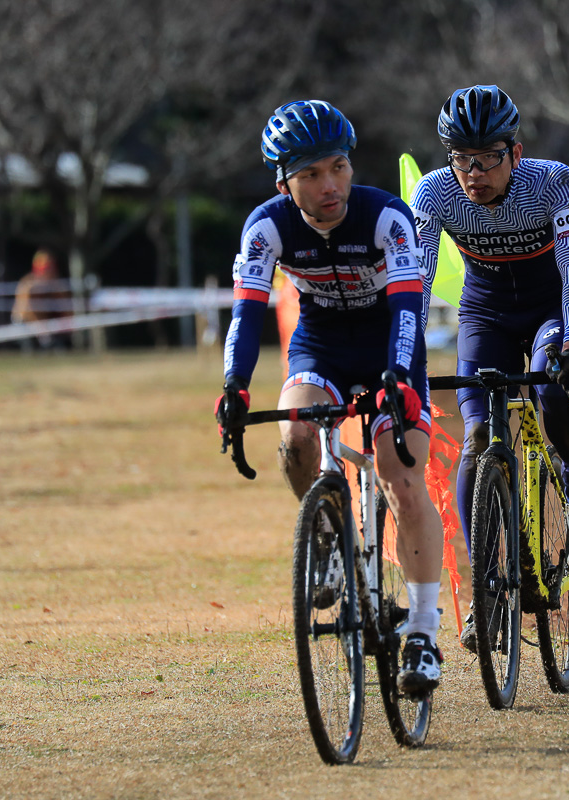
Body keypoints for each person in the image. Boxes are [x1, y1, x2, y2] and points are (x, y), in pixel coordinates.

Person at [214, 100, 445, 698]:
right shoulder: (266, 227)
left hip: (390, 341)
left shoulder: (385, 217)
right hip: (321, 342)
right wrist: (234, 388)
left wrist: (396, 374)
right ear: (284, 181)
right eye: (311, 174)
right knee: (295, 437)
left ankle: (422, 629)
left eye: (338, 167)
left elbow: (406, 309)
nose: (329, 186)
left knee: (400, 471)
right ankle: (330, 544)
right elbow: (246, 313)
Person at [409, 85, 569, 651]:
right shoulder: (434, 193)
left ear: (515, 151)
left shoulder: (553, 183)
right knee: (475, 437)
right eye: (461, 159)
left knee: (551, 394)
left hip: (549, 310)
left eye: (488, 157)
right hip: (485, 313)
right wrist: (407, 359)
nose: (474, 172)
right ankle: (484, 588)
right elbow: (417, 286)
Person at [12, 249, 72, 350]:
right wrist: (40, 327)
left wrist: (67, 322)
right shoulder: (27, 284)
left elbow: (65, 307)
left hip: (49, 325)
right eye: (45, 269)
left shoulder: (57, 284)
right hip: (25, 322)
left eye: (50, 268)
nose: (48, 272)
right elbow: (25, 312)